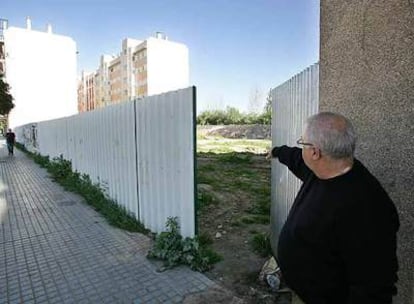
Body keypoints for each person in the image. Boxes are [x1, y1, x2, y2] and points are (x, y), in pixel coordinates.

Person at [268, 112, 399, 304]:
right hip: (305, 291)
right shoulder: (326, 168)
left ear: (315, 152)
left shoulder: (367, 209)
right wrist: (277, 151)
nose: (300, 147)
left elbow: (374, 287)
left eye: (302, 143)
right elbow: (296, 158)